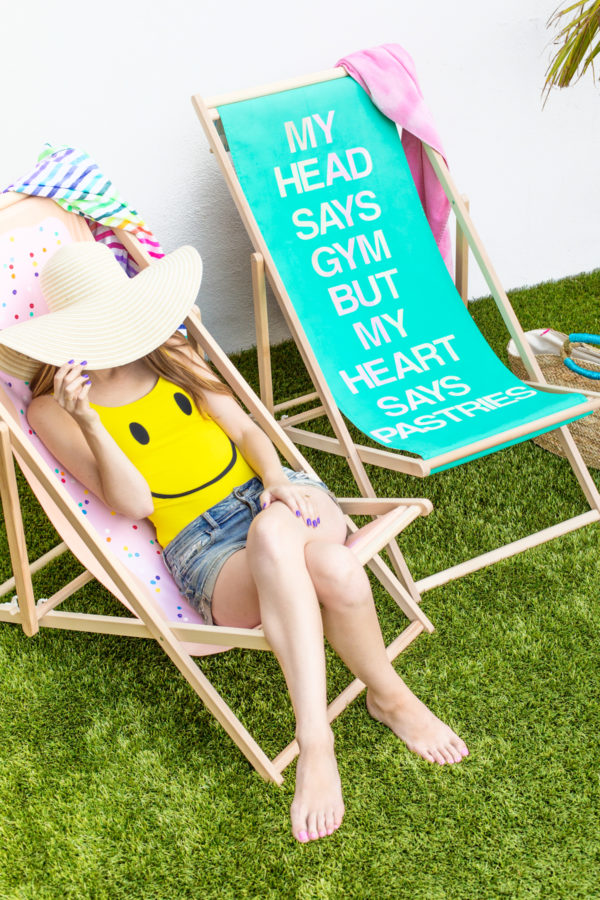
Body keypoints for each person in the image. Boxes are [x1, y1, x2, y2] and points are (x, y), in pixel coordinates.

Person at [0, 241, 468, 843]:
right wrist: (90, 420)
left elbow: (246, 428)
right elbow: (135, 505)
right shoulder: (52, 410)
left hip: (274, 494)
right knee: (336, 570)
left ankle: (317, 739)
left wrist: (275, 479)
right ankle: (386, 699)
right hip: (206, 550)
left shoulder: (172, 353)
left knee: (277, 525)